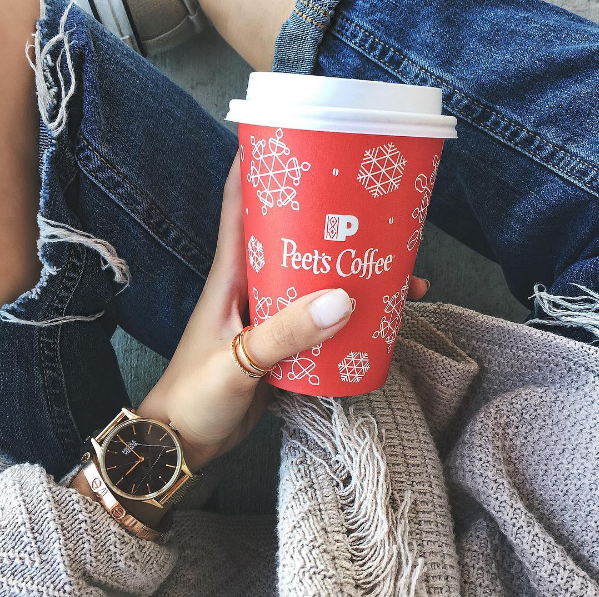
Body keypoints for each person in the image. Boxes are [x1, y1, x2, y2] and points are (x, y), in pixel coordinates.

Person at [0, 0, 597, 595]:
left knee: (14, 49)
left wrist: (170, 435)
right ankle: (304, 29)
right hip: (550, 458)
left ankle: (299, 27)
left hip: (199, 529)